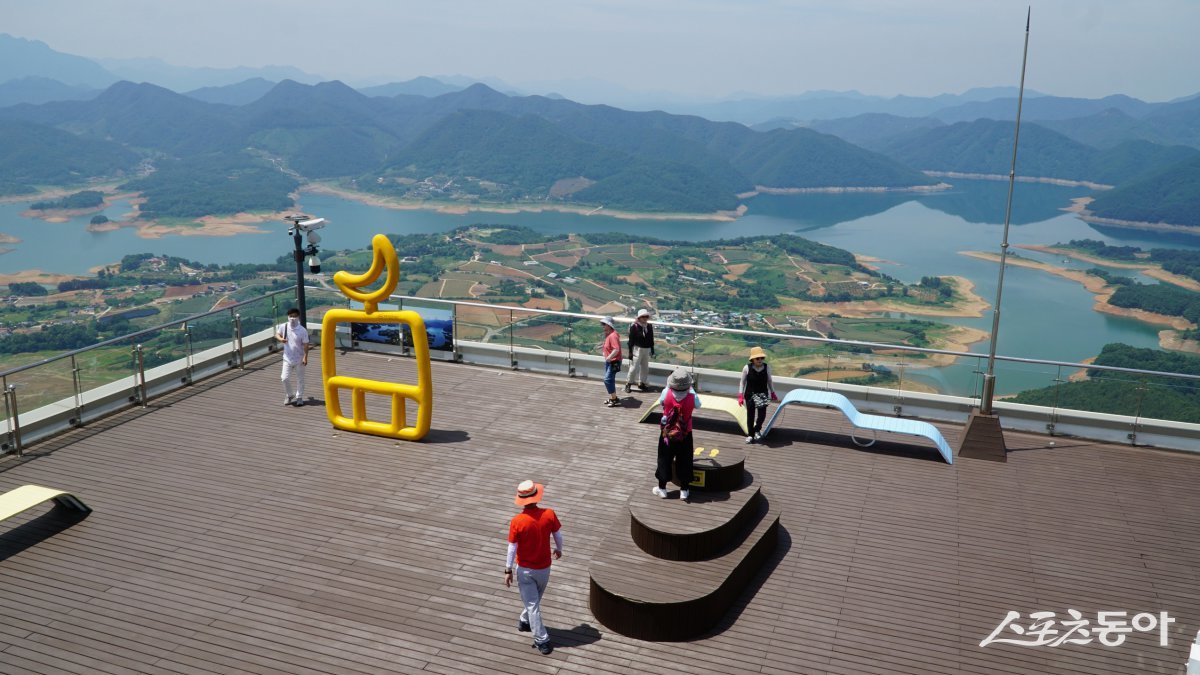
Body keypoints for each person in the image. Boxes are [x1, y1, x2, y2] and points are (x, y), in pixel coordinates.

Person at [505, 480, 563, 656]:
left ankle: (540, 640)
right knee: (534, 603)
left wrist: (508, 569)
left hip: (525, 570)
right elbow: (558, 535)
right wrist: (559, 549)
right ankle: (530, 626)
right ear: (536, 496)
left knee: (532, 604)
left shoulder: (517, 521)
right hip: (544, 568)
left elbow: (512, 547)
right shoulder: (549, 514)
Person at [654, 367, 702, 502]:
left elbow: (661, 402)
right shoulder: (692, 396)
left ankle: (662, 489)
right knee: (685, 460)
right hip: (685, 433)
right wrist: (691, 390)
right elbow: (698, 405)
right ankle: (684, 490)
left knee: (664, 459)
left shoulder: (666, 392)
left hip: (667, 433)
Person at [738, 346, 777, 442]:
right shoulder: (747, 368)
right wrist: (740, 395)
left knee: (762, 415)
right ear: (753, 359)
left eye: (762, 358)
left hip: (762, 394)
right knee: (750, 415)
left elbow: (769, 380)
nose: (760, 360)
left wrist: (772, 392)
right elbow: (742, 382)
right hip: (750, 394)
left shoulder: (767, 367)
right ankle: (750, 435)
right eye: (757, 358)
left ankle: (757, 429)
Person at [276, 308, 310, 406]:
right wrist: (281, 339)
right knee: (284, 378)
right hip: (287, 358)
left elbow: (306, 344)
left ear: (298, 317)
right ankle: (289, 395)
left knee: (300, 378)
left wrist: (305, 357)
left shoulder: (302, 330)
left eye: (294, 316)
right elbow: (277, 334)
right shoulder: (284, 326)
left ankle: (299, 397)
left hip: (299, 358)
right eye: (290, 316)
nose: (292, 318)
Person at [624, 308, 655, 393]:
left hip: (646, 349)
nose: (645, 318)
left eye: (646, 316)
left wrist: (652, 349)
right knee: (633, 368)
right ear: (639, 318)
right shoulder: (634, 327)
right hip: (637, 349)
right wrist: (630, 352)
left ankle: (642, 383)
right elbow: (631, 341)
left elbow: (651, 338)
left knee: (645, 368)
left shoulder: (649, 326)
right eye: (643, 316)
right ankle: (628, 384)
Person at [599, 316, 622, 407]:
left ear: (609, 325)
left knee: (607, 380)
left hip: (613, 361)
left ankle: (614, 399)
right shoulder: (609, 334)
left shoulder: (613, 335)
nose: (603, 326)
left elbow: (616, 349)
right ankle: (613, 398)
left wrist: (608, 357)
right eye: (602, 324)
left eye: (604, 324)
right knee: (610, 380)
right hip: (611, 361)